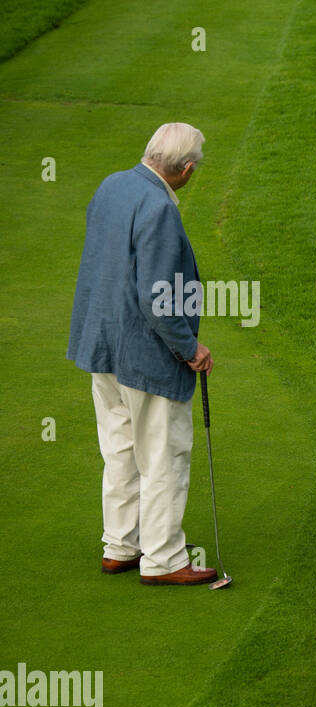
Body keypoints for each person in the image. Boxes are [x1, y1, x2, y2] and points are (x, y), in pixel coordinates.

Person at [67, 122, 216, 585]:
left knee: (120, 449)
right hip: (144, 356)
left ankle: (121, 545)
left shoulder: (113, 184)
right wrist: (190, 349)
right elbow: (160, 297)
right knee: (164, 456)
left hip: (101, 346)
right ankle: (164, 559)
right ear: (186, 170)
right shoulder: (160, 209)